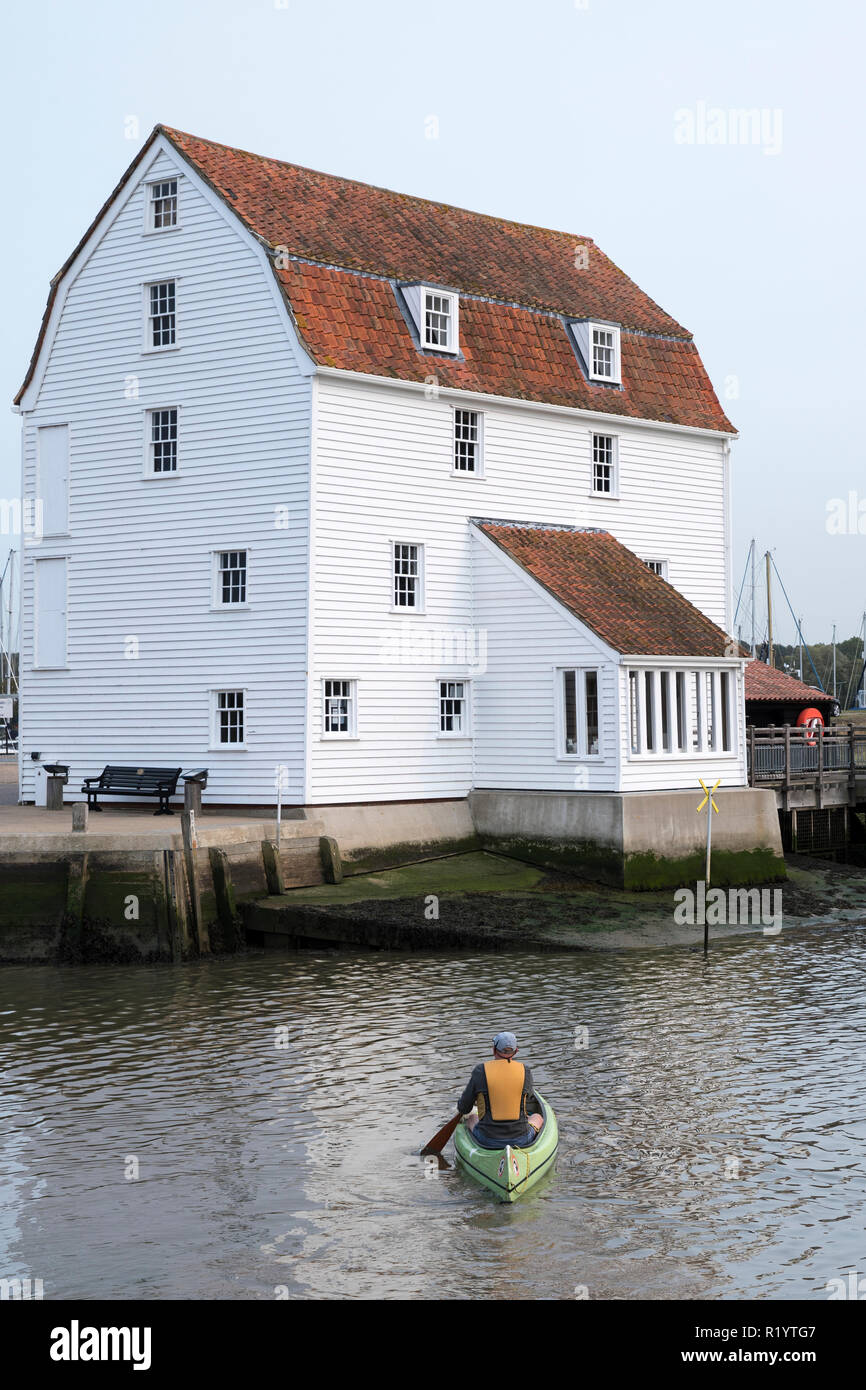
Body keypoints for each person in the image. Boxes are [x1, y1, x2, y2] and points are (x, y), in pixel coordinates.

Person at [457, 1032, 544, 1149]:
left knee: (472, 1118)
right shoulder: (525, 1071)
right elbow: (529, 1097)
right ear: (516, 1051)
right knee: (538, 1117)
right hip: (521, 1139)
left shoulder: (480, 1071)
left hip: (487, 1140)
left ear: (494, 1050)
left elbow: (464, 1108)